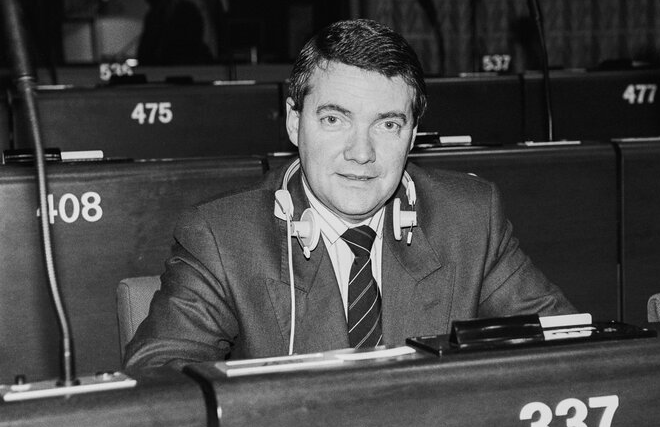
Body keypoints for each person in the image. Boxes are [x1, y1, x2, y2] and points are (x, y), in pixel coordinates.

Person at [124, 19, 575, 371]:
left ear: (413, 134)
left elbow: (569, 345)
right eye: (335, 120)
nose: (362, 153)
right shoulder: (222, 239)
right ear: (295, 122)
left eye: (387, 124)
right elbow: (160, 377)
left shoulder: (470, 218)